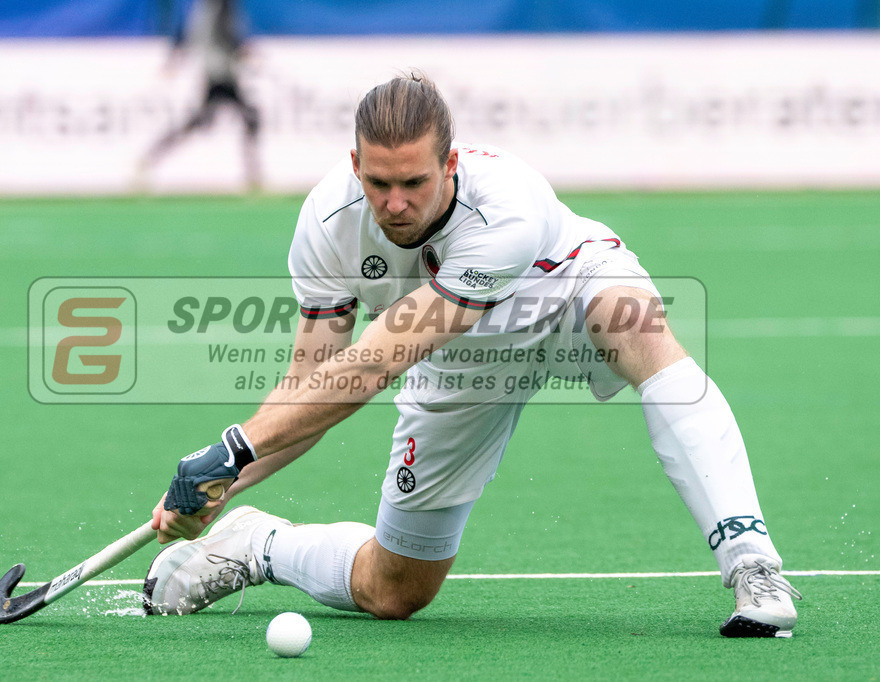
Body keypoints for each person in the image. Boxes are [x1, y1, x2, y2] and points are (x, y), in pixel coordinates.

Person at [143, 74, 802, 638]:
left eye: (413, 182)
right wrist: (226, 481)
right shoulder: (325, 225)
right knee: (396, 589)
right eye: (377, 182)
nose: (395, 204)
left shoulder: (507, 205)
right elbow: (309, 386)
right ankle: (259, 545)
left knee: (637, 328)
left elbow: (376, 364)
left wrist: (232, 449)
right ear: (354, 164)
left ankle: (753, 564)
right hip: (460, 361)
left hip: (564, 288)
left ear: (451, 164)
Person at [139, 0, 261, 188]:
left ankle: (151, 158)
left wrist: (175, 59)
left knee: (204, 121)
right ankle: (253, 176)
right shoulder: (221, 7)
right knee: (246, 119)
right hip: (221, 75)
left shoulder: (201, 7)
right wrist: (243, 50)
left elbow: (186, 35)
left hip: (216, 73)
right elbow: (229, 33)